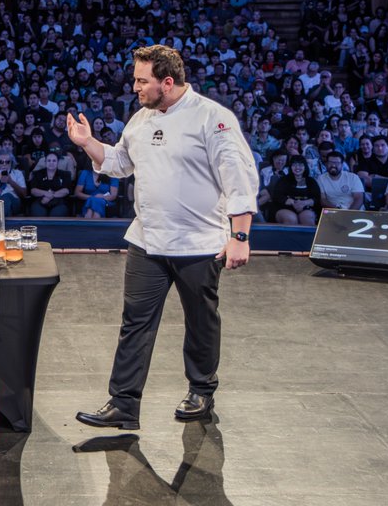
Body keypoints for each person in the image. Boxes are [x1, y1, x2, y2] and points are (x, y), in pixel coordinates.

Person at [67, 44, 257, 430]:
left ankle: (201, 390)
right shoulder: (141, 118)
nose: (134, 87)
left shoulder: (213, 119)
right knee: (135, 322)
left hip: (199, 244)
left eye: (141, 81)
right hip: (147, 242)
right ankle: (123, 404)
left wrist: (240, 235)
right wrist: (88, 143)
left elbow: (239, 179)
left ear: (167, 83)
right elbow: (120, 163)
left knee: (201, 321)